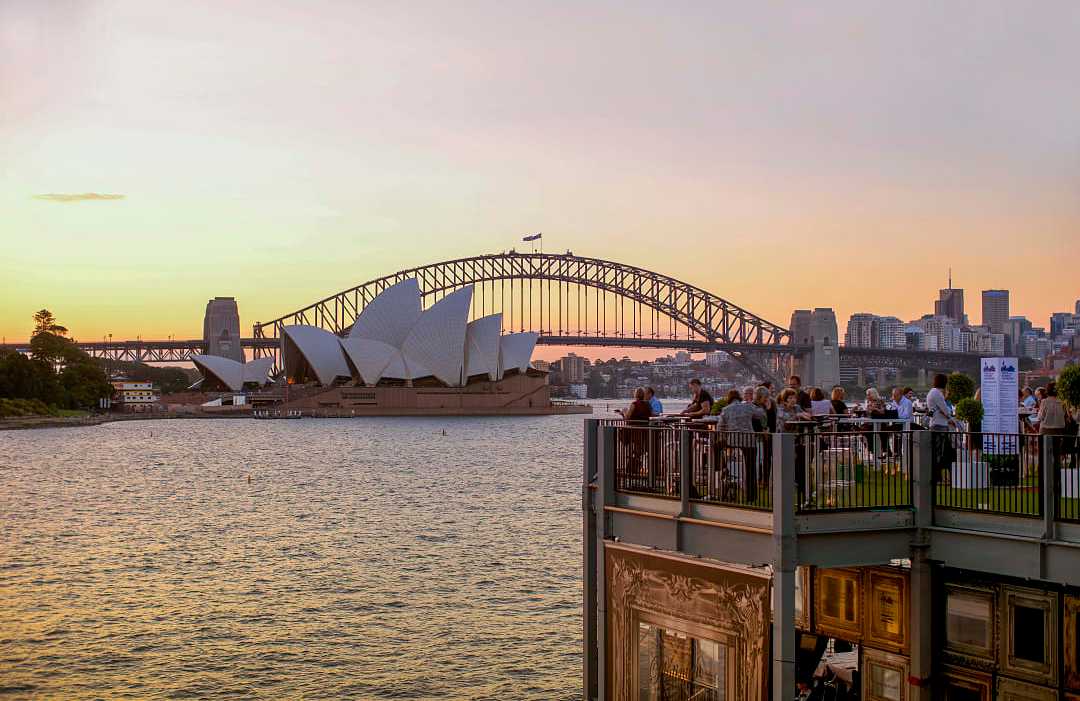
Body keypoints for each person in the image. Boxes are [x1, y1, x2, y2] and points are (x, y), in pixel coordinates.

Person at [719, 389, 768, 502]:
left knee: (718, 450)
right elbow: (761, 415)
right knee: (751, 468)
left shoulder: (725, 409)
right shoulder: (748, 406)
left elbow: (720, 427)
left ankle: (723, 473)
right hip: (748, 440)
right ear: (740, 397)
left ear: (729, 399)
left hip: (733, 441)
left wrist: (725, 436)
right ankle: (751, 496)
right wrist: (760, 406)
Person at [927, 373, 955, 482]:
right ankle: (937, 476)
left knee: (938, 452)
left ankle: (938, 476)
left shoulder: (932, 392)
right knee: (940, 452)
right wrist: (950, 417)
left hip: (935, 424)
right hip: (940, 425)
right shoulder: (937, 394)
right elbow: (945, 410)